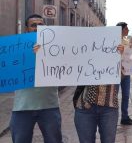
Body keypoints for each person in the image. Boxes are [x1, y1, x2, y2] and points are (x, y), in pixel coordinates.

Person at [10, 14, 63, 143]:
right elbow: (10, 70)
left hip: (49, 105)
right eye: (33, 25)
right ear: (27, 29)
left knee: (54, 140)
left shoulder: (55, 48)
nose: (37, 28)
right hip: (22, 106)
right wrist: (29, 54)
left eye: (41, 25)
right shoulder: (17, 47)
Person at [73, 42, 124, 142]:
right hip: (84, 106)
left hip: (109, 107)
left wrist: (121, 58)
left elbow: (122, 76)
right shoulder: (84, 51)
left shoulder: (117, 51)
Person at [116, 22, 132, 125]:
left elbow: (131, 55)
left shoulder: (126, 41)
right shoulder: (113, 40)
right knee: (113, 96)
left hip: (126, 73)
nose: (128, 30)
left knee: (126, 95)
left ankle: (124, 117)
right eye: (126, 29)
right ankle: (112, 118)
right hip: (115, 73)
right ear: (121, 30)